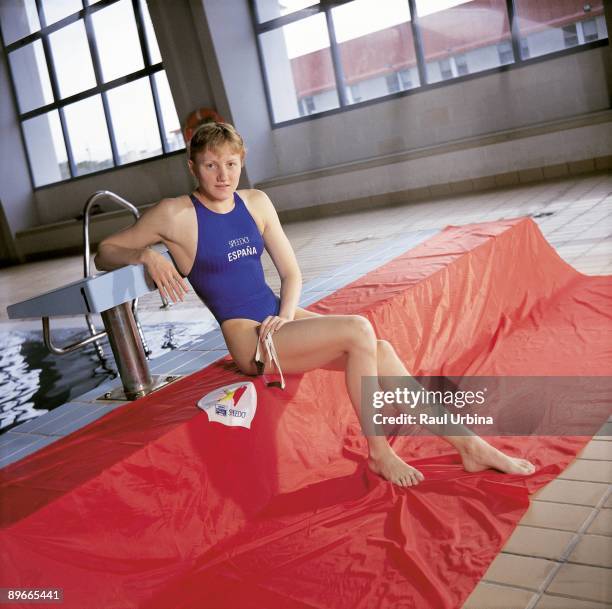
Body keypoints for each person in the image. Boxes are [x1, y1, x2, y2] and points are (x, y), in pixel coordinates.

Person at [95, 121, 535, 487]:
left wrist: (284, 319)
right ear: (193, 167)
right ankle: (379, 452)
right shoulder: (175, 214)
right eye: (210, 165)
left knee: (378, 350)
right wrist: (146, 254)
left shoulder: (256, 203)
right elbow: (105, 250)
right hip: (248, 339)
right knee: (359, 329)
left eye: (230, 163)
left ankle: (468, 445)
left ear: (241, 162)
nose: (222, 175)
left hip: (275, 321)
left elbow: (291, 273)